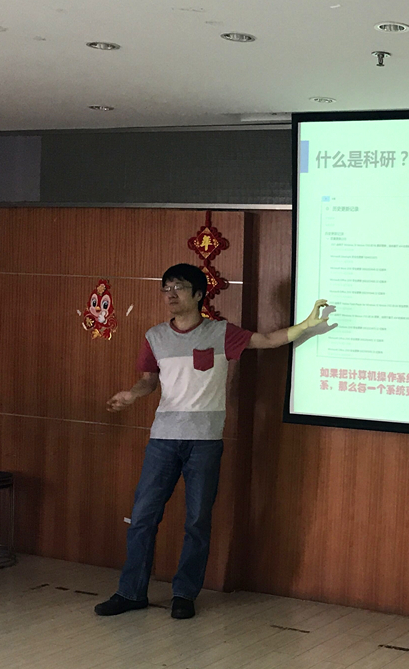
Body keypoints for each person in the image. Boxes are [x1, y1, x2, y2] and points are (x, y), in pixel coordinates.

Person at [95, 263, 329, 619]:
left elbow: (267, 340)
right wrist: (132, 394)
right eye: (166, 288)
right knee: (142, 517)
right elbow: (148, 380)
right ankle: (131, 592)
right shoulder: (155, 336)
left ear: (199, 294)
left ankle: (184, 594)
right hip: (163, 440)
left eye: (178, 287)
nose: (171, 294)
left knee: (197, 521)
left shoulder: (220, 332)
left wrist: (305, 326)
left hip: (204, 442)